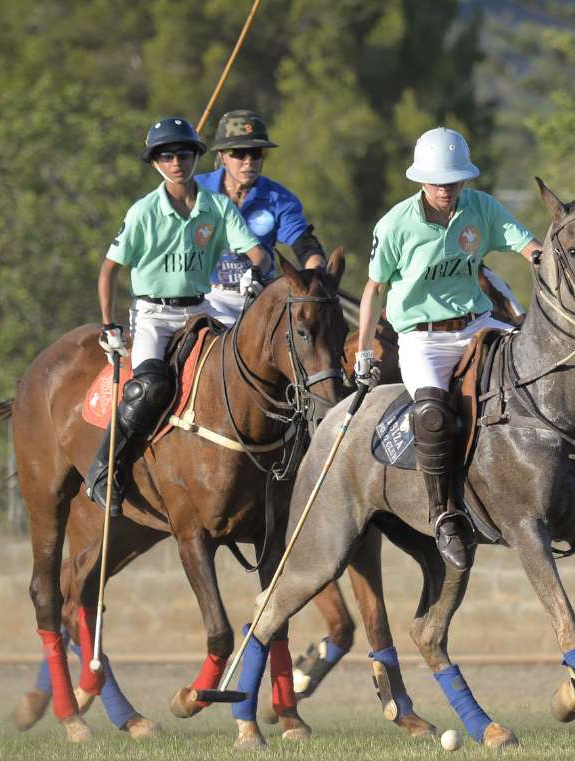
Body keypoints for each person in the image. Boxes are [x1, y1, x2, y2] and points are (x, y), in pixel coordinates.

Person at [353, 127, 542, 570]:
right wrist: (363, 353)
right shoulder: (395, 224)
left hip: (478, 324)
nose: (446, 189)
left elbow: (529, 247)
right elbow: (373, 290)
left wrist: (556, 259)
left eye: (454, 180)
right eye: (438, 181)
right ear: (421, 179)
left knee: (538, 371)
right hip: (423, 339)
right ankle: (446, 517)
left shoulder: (481, 208)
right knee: (432, 416)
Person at [85, 117, 271, 514]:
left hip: (201, 308)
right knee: (146, 388)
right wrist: (108, 325)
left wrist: (256, 273)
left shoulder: (217, 207)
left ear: (196, 157)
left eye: (183, 154)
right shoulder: (143, 211)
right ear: (155, 163)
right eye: (166, 156)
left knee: (239, 369)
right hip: (154, 315)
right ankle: (105, 468)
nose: (176, 163)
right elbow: (108, 270)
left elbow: (257, 252)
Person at [194, 110, 327, 325]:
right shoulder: (196, 189)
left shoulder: (280, 198)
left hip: (261, 296)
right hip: (206, 296)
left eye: (256, 153)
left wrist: (315, 277)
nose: (249, 161)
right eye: (239, 153)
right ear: (223, 156)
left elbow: (305, 246)